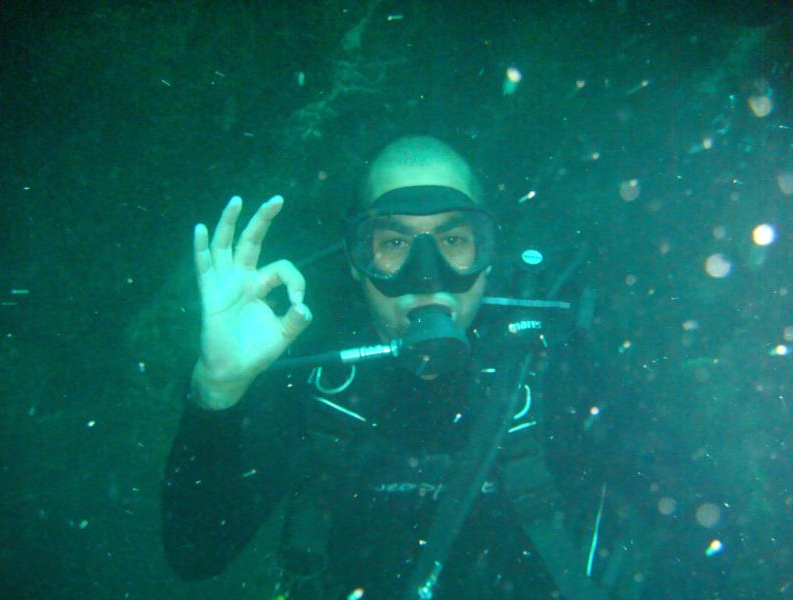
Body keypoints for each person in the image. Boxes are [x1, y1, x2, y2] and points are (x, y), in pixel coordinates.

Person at [162, 136, 616, 599]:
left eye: (454, 240)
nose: (426, 276)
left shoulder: (557, 372)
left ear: (487, 254)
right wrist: (217, 390)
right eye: (395, 242)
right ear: (357, 262)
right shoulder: (316, 385)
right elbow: (196, 555)